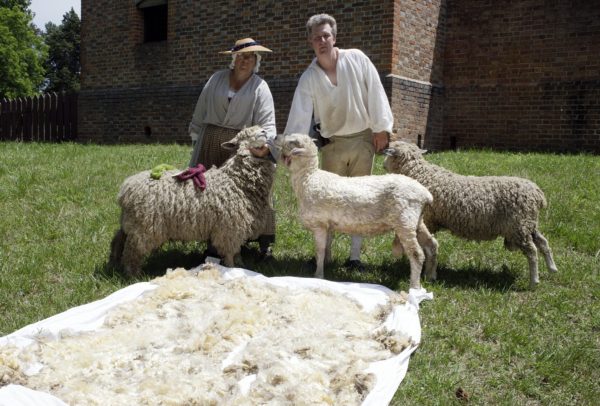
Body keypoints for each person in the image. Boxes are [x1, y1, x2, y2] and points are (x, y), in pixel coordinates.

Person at [284, 14, 393, 272]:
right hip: (332, 144)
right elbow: (299, 117)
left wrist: (381, 129)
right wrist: (291, 149)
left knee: (359, 199)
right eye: (316, 37)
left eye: (326, 36)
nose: (322, 41)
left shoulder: (357, 59)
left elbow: (376, 92)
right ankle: (325, 255)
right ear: (310, 42)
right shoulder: (309, 78)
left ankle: (355, 258)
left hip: (363, 140)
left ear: (334, 37)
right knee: (328, 201)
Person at [188, 37, 276, 259]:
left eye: (250, 57)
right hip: (210, 141)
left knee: (245, 194)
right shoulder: (216, 79)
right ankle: (212, 238)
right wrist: (196, 133)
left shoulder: (260, 87)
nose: (244, 60)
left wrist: (265, 145)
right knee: (208, 191)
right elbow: (201, 108)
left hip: (241, 147)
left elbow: (267, 123)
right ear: (234, 59)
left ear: (256, 60)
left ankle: (257, 241)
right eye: (240, 56)